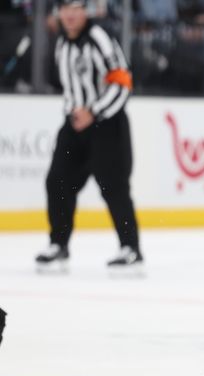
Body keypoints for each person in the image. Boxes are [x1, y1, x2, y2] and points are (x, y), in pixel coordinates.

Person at [35, 0, 143, 274]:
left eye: (75, 7)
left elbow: (123, 82)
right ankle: (58, 244)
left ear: (86, 11)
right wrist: (77, 114)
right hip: (74, 126)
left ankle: (130, 248)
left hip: (106, 125)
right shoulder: (62, 43)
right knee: (57, 181)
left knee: (113, 186)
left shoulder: (99, 38)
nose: (69, 14)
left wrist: (93, 112)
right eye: (64, 8)